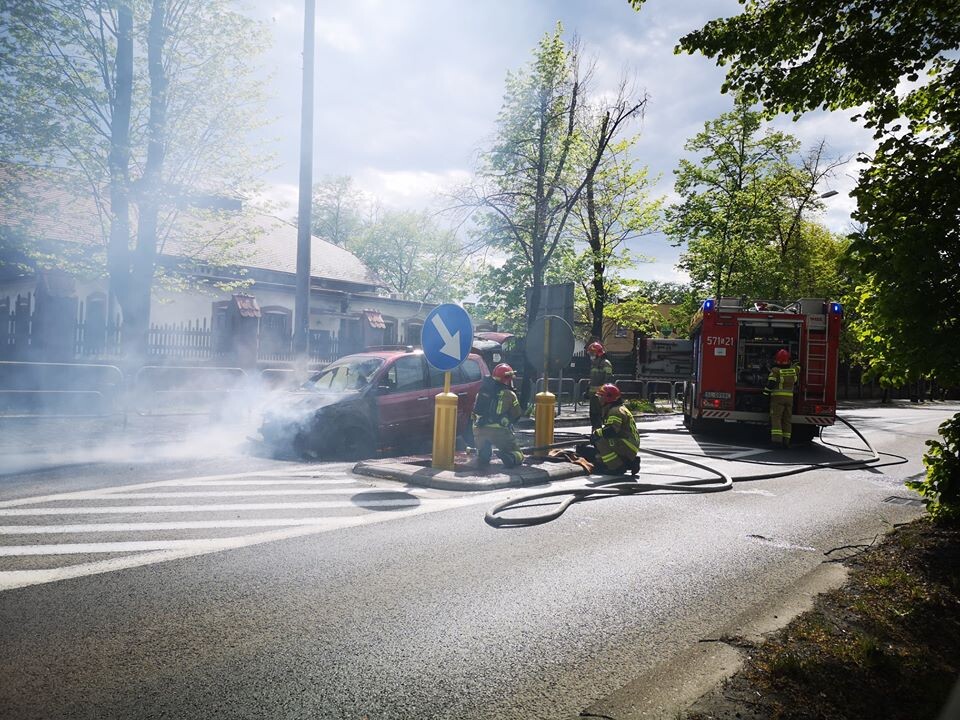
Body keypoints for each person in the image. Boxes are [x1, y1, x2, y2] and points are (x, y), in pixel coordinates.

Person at [472, 363, 525, 468]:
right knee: (518, 454)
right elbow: (517, 414)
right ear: (507, 379)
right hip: (499, 431)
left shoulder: (482, 391)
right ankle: (510, 456)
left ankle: (483, 453)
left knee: (483, 449)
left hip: (479, 430)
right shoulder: (509, 394)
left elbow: (475, 411)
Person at [586, 383, 641, 475]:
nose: (599, 399)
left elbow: (611, 430)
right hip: (628, 443)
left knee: (600, 441)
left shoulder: (615, 411)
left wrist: (596, 433)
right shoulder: (617, 408)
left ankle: (616, 467)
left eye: (601, 397)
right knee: (600, 456)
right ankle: (630, 463)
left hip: (627, 444)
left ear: (608, 398)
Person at [763, 348, 801, 448]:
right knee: (787, 420)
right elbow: (799, 366)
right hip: (789, 400)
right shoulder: (793, 371)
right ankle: (786, 441)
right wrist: (795, 359)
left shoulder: (775, 371)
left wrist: (765, 394)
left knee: (776, 419)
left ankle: (777, 441)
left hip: (777, 399)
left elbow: (770, 384)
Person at [585, 341, 613, 431]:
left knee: (599, 416)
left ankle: (599, 434)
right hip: (593, 396)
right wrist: (587, 390)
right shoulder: (594, 364)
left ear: (598, 353)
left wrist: (603, 394)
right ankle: (595, 432)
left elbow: (608, 380)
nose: (591, 356)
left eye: (592, 353)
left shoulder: (605, 363)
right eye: (590, 354)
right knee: (593, 415)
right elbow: (592, 379)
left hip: (601, 396)